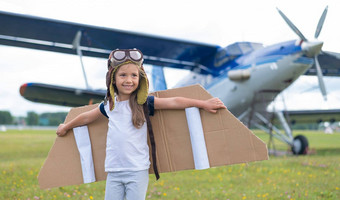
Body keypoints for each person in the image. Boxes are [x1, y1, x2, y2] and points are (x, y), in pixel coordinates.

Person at [56, 48, 226, 200]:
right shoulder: (109, 105)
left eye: (134, 75)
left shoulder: (144, 103)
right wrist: (66, 126)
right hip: (114, 171)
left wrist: (203, 104)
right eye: (123, 75)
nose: (128, 80)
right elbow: (87, 117)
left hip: (137, 171)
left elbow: (174, 102)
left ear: (140, 79)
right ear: (113, 79)